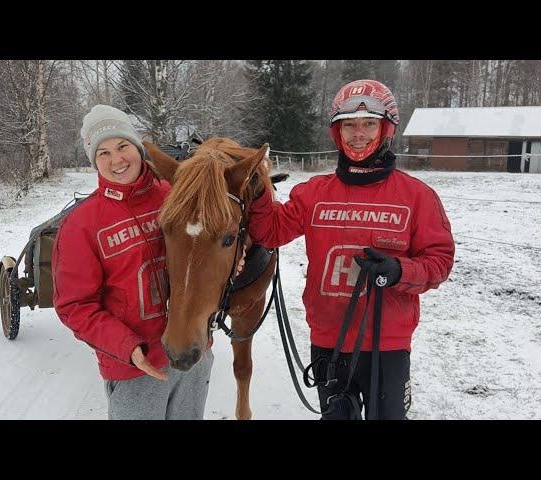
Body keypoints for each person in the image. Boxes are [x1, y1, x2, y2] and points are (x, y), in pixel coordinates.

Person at [248, 80, 455, 420]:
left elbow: (440, 261)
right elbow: (269, 232)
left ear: (385, 128)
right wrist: (256, 190)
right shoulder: (313, 192)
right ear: (337, 132)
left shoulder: (417, 196)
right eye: (349, 125)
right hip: (329, 339)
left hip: (386, 344)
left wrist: (401, 271)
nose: (358, 134)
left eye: (368, 124)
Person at [52, 104, 214, 420]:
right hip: (135, 368)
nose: (117, 160)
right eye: (104, 153)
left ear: (137, 146)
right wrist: (127, 347)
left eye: (123, 145)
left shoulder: (174, 196)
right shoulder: (82, 225)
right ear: (93, 162)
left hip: (193, 355)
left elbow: (208, 252)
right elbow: (74, 306)